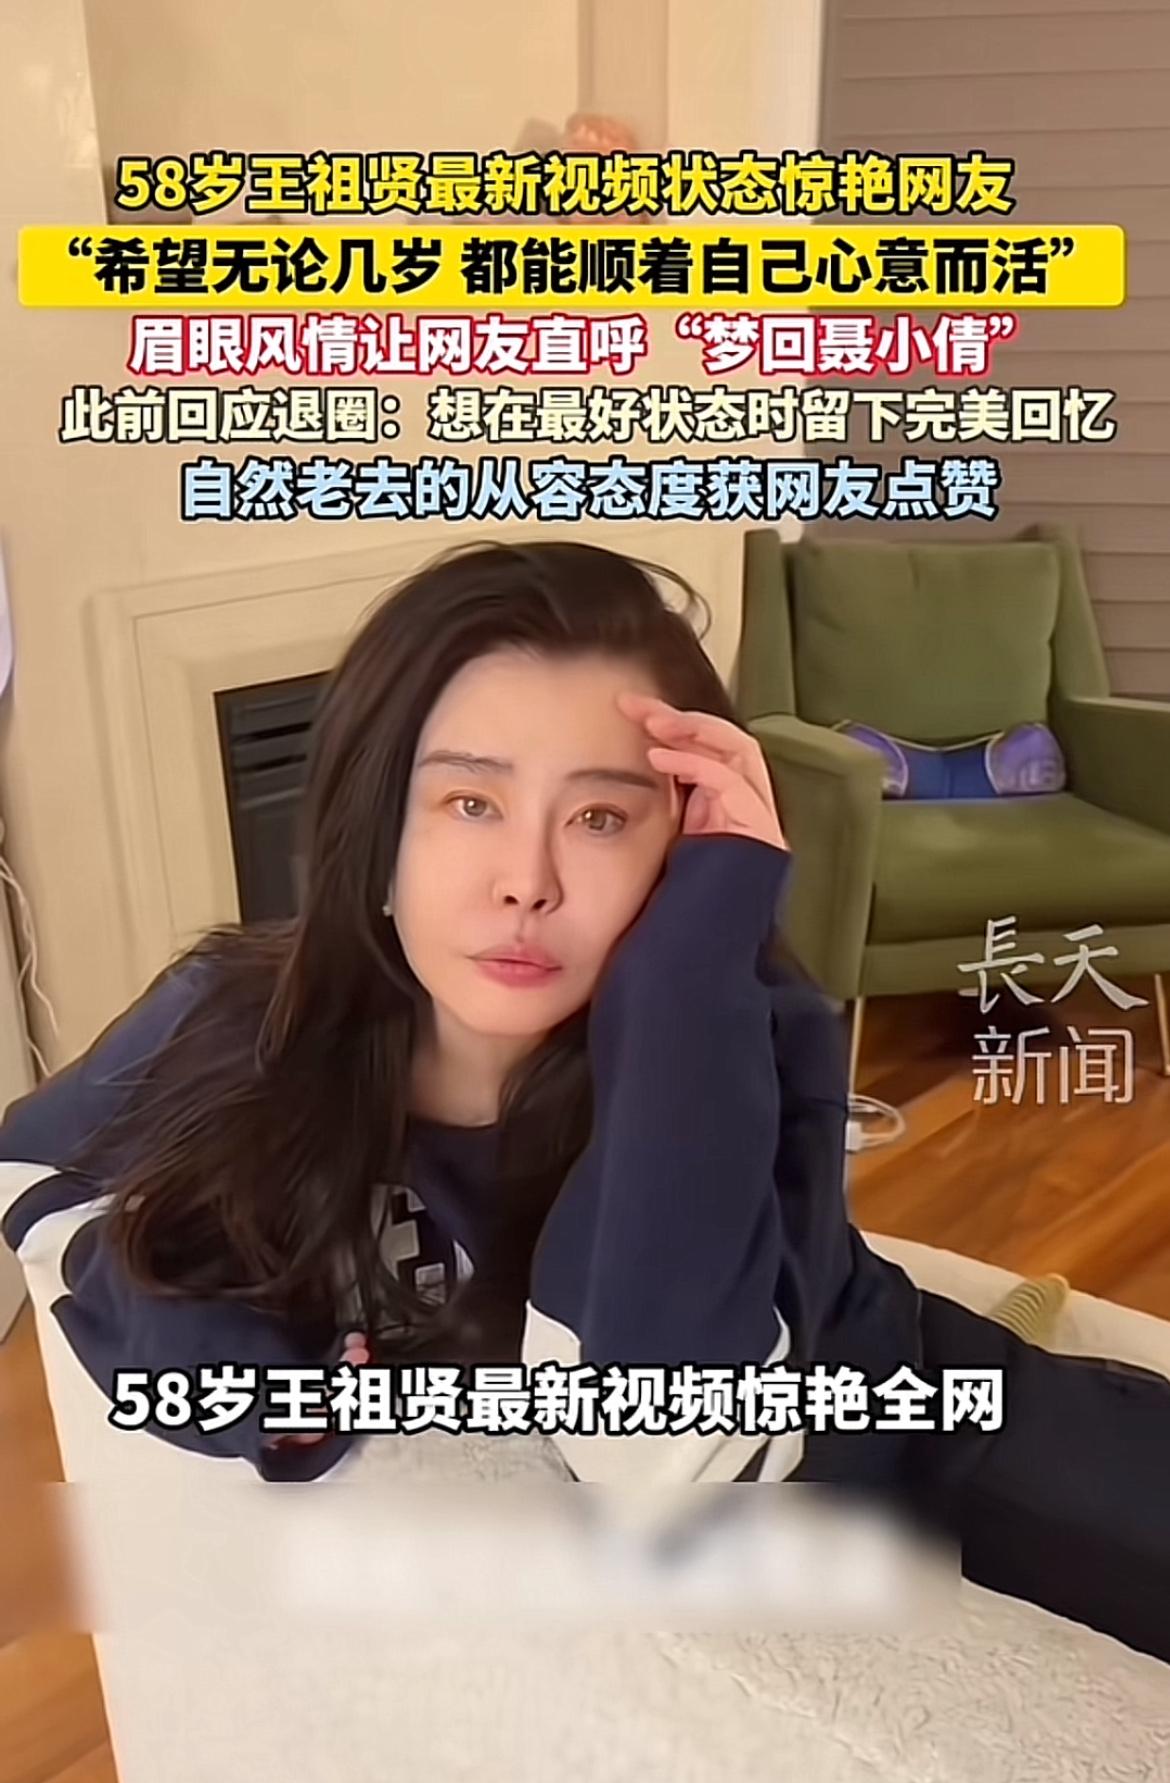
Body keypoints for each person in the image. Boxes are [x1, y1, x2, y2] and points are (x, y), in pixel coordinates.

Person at [2, 540, 1168, 1662]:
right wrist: (235, 1370)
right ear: (376, 829)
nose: (528, 881)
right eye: (470, 802)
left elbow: (673, 1459)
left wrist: (673, 978)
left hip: (890, 1411)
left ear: (679, 850)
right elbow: (35, 1171)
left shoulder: (735, 1028)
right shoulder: (242, 1009)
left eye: (602, 818)